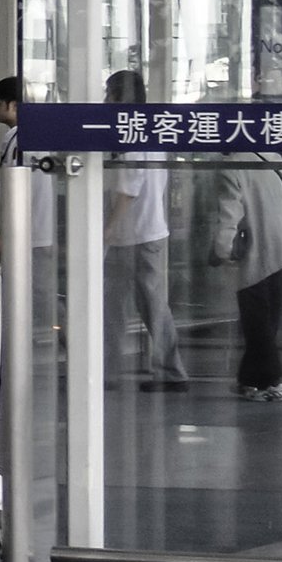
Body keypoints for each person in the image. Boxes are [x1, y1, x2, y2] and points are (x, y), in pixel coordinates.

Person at [102, 70, 190, 392]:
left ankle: (115, 371)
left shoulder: (132, 132)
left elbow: (129, 189)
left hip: (134, 235)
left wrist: (107, 230)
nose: (105, 100)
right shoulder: (150, 128)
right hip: (151, 231)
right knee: (150, 305)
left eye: (109, 93)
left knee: (117, 306)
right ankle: (166, 371)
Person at [209, 152, 282, 403]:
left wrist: (221, 251)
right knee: (267, 322)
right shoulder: (274, 157)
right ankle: (249, 379)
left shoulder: (232, 167)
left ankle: (272, 382)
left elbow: (230, 215)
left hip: (256, 254)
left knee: (257, 325)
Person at [0, 77, 58, 335]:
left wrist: (4, 233)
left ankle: (75, 347)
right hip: (34, 233)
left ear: (14, 105)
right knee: (36, 297)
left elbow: (20, 191)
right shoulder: (27, 137)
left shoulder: (22, 142)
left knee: (41, 298)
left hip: (31, 236)